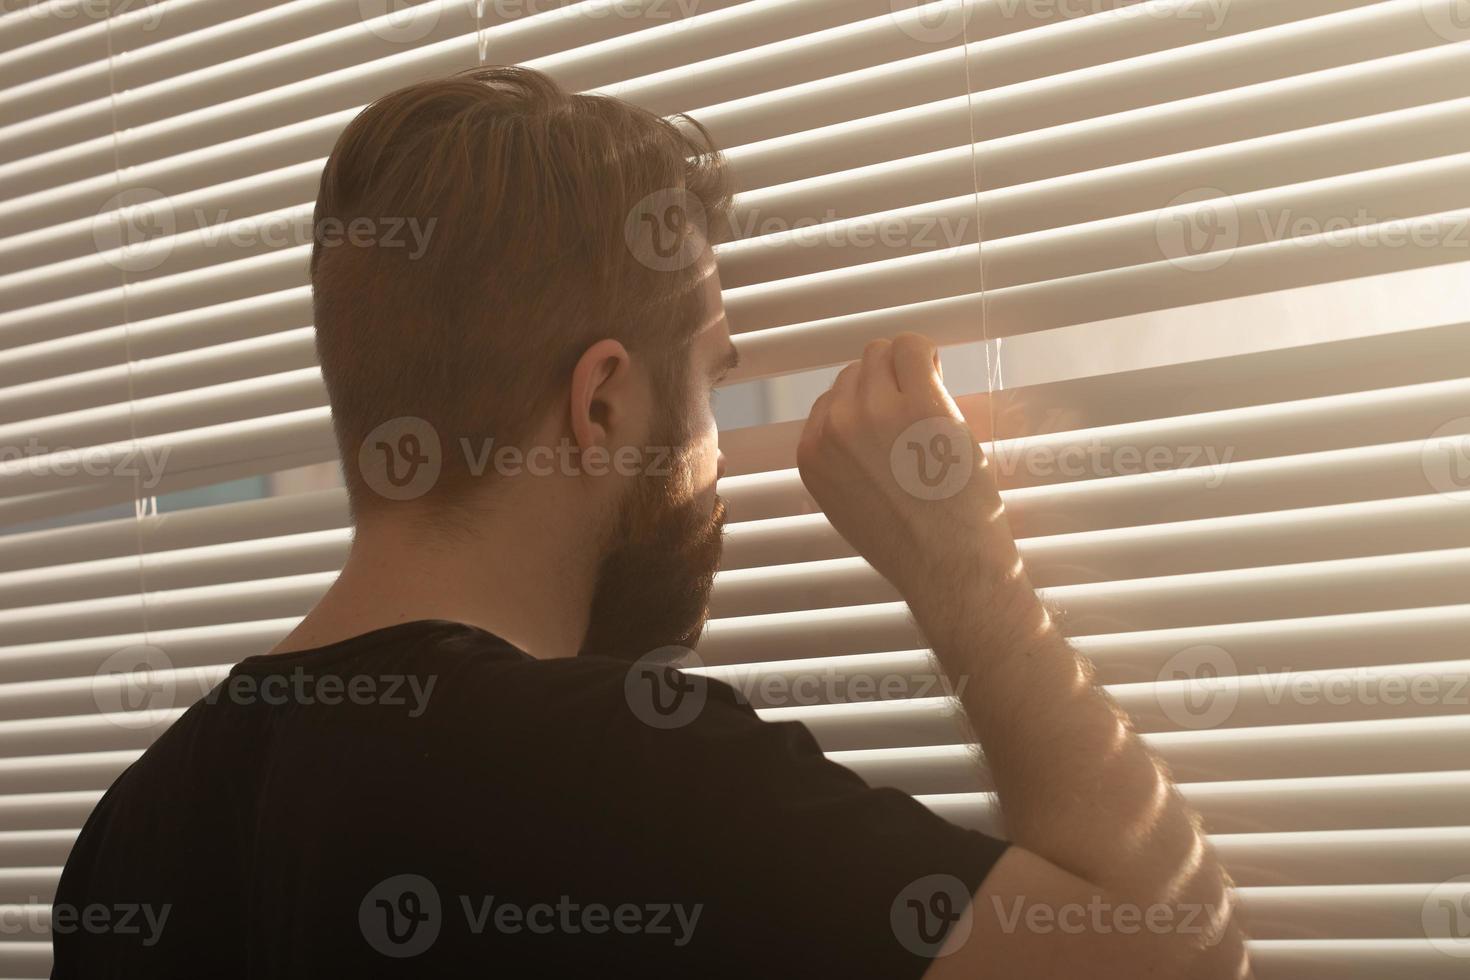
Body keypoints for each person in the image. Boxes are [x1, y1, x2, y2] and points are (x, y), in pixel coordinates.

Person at [52, 66, 1250, 979]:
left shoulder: (125, 836)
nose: (724, 445)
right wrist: (967, 567)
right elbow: (1174, 955)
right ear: (605, 399)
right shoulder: (617, 768)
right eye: (712, 383)